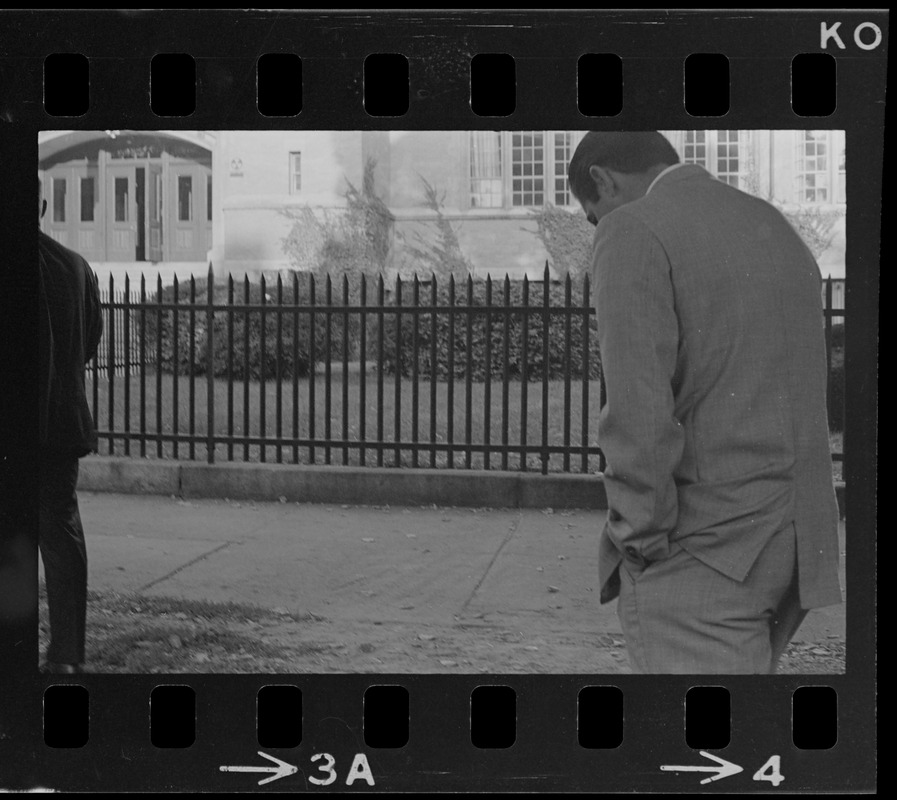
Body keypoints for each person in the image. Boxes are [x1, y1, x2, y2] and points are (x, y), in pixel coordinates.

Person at [568, 132, 842, 674]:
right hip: (795, 545)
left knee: (702, 751)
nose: (600, 226)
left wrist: (637, 540)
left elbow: (639, 413)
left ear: (601, 179)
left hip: (705, 553)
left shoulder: (633, 228)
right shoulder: (771, 223)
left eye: (592, 215)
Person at [38, 180, 103, 674]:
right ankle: (67, 655)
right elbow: (89, 342)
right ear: (40, 206)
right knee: (60, 533)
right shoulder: (76, 266)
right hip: (59, 425)